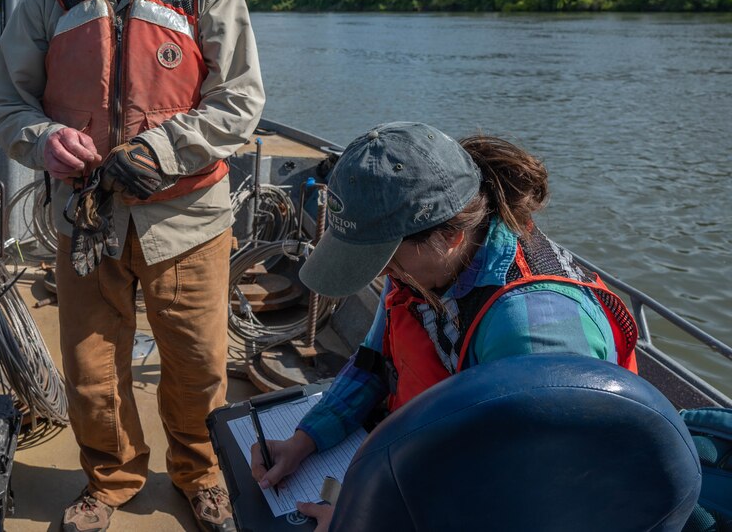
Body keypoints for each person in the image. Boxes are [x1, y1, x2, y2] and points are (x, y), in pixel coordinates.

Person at [0, 0, 265, 532]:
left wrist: (162, 150)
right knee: (91, 369)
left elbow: (240, 103)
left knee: (199, 362)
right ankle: (110, 480)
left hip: (189, 220)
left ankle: (202, 474)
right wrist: (44, 139)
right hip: (87, 221)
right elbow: (9, 106)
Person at [249, 122, 639, 531]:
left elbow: (541, 502)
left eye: (383, 259)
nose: (380, 275)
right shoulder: (417, 269)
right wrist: (305, 438)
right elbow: (373, 362)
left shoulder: (532, 338)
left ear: (450, 236)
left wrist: (372, 522)